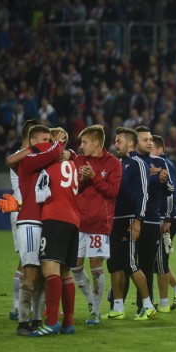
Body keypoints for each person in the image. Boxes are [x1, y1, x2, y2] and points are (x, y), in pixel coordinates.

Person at [3, 125, 64, 335]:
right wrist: (58, 141)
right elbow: (57, 150)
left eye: (50, 138)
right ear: (32, 143)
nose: (48, 142)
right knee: (29, 272)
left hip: (46, 222)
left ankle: (38, 320)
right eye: (44, 139)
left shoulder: (44, 160)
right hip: (30, 222)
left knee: (41, 276)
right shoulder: (28, 162)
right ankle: (22, 322)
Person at [29, 137, 81, 336]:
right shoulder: (72, 163)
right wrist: (72, 154)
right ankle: (68, 323)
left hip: (55, 218)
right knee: (66, 272)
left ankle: (51, 322)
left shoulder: (48, 164)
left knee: (50, 268)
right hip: (73, 220)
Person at [72, 125, 122, 325]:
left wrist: (94, 178)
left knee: (95, 267)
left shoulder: (113, 163)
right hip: (77, 221)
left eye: (84, 142)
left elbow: (112, 191)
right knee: (74, 267)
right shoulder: (78, 160)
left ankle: (96, 311)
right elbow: (73, 188)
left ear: (96, 143)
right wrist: (84, 179)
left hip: (99, 222)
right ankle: (92, 302)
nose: (81, 146)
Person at [107, 127, 155, 321]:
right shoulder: (117, 163)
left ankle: (148, 305)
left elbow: (144, 193)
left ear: (129, 143)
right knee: (114, 264)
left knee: (131, 262)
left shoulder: (138, 163)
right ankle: (117, 307)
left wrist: (138, 220)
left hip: (129, 220)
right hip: (114, 221)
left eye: (118, 141)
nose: (115, 144)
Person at [133, 126, 173, 314]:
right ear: (135, 143)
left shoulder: (159, 162)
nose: (149, 142)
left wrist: (164, 181)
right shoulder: (131, 162)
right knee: (127, 264)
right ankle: (116, 305)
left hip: (151, 221)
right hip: (131, 220)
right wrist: (147, 176)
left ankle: (144, 305)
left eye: (150, 139)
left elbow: (170, 191)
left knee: (146, 265)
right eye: (145, 140)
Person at [151, 134, 176, 313]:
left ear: (159, 149)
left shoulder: (162, 163)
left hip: (167, 218)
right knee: (157, 259)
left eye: (151, 147)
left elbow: (170, 193)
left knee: (159, 260)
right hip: (163, 217)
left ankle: (164, 304)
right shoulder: (160, 163)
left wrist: (166, 218)